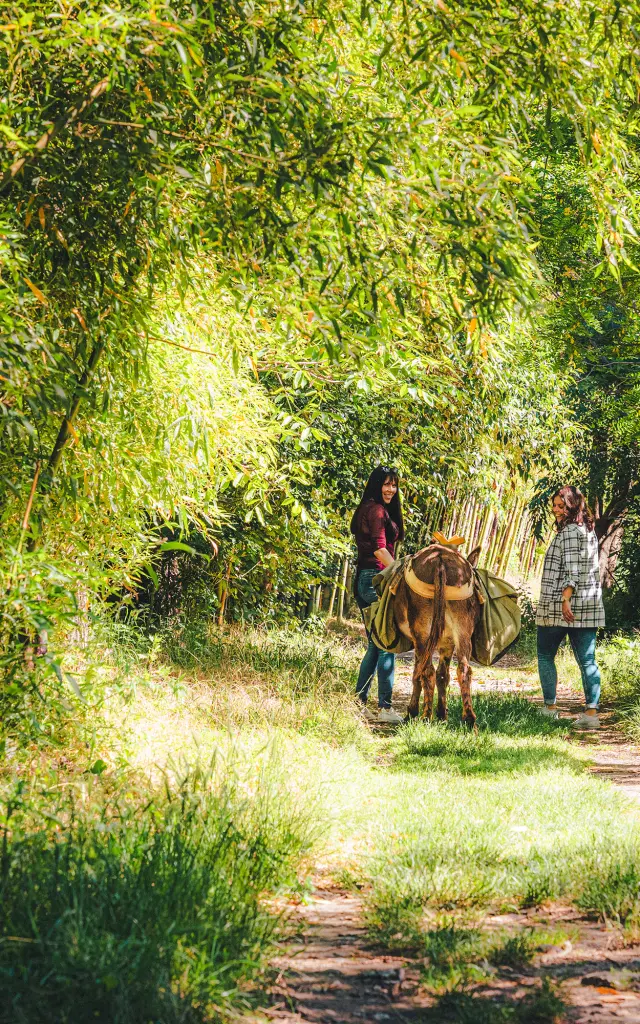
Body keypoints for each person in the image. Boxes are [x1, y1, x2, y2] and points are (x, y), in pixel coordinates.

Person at [535, 485, 605, 730]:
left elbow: (573, 570)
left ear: (572, 506)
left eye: (561, 505)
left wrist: (566, 599)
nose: (556, 510)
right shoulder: (588, 531)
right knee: (587, 660)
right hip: (588, 605)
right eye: (554, 505)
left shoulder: (569, 532)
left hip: (560, 606)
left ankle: (550, 708)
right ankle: (591, 713)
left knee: (545, 655)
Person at [350, 466, 405, 724]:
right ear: (375, 484)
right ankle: (385, 708)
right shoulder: (376, 511)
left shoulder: (369, 508)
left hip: (365, 578)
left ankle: (358, 704)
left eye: (394, 485)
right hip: (374, 580)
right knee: (387, 644)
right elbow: (380, 550)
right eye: (386, 484)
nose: (390, 489)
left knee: (375, 644)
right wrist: (401, 574)